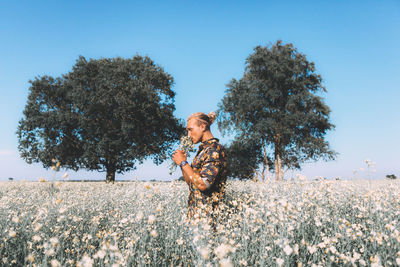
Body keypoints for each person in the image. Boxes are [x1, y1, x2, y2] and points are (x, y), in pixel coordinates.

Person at [172, 112, 227, 225]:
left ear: (203, 127)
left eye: (190, 129)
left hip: (208, 219)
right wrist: (183, 164)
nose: (188, 135)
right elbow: (192, 183)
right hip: (196, 216)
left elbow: (203, 185)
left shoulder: (214, 150)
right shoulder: (204, 151)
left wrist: (183, 163)